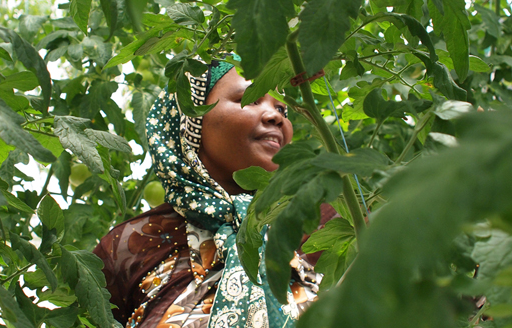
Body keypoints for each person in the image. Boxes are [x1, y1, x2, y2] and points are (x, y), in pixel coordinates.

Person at [93, 58, 337, 328]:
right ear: (191, 122)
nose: (276, 116)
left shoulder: (326, 219)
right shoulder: (129, 243)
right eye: (252, 99)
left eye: (282, 108)